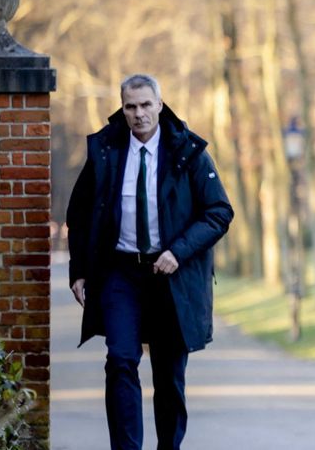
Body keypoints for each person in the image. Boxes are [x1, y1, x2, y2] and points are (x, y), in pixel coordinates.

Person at [66, 74, 234, 450]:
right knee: (121, 361)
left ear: (160, 104)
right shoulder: (106, 150)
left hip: (170, 275)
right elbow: (78, 213)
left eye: (145, 105)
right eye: (131, 106)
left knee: (169, 375)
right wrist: (79, 269)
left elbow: (219, 212)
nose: (139, 114)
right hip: (120, 273)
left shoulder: (188, 151)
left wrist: (178, 251)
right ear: (122, 108)